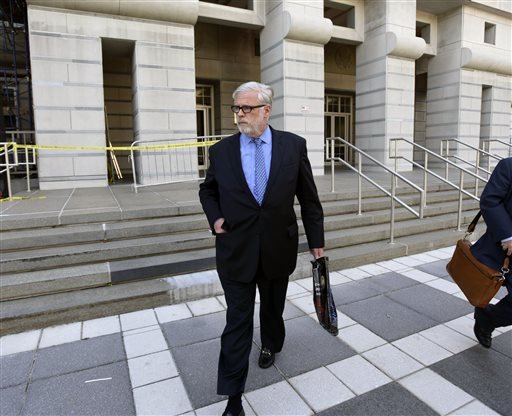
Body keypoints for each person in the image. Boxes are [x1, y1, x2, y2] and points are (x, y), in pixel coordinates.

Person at [199, 81, 325, 416]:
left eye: (246, 108)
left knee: (272, 310)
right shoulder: (221, 151)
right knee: (237, 323)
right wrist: (215, 219)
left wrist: (317, 245)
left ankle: (271, 343)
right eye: (235, 108)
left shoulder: (293, 147)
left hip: (276, 249)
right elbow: (207, 191)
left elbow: (309, 200)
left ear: (266, 110)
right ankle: (233, 399)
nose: (239, 115)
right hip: (235, 251)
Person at [472, 156, 512, 348]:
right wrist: (508, 236)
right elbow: (490, 201)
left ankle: (487, 318)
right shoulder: (509, 165)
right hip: (507, 250)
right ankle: (487, 319)